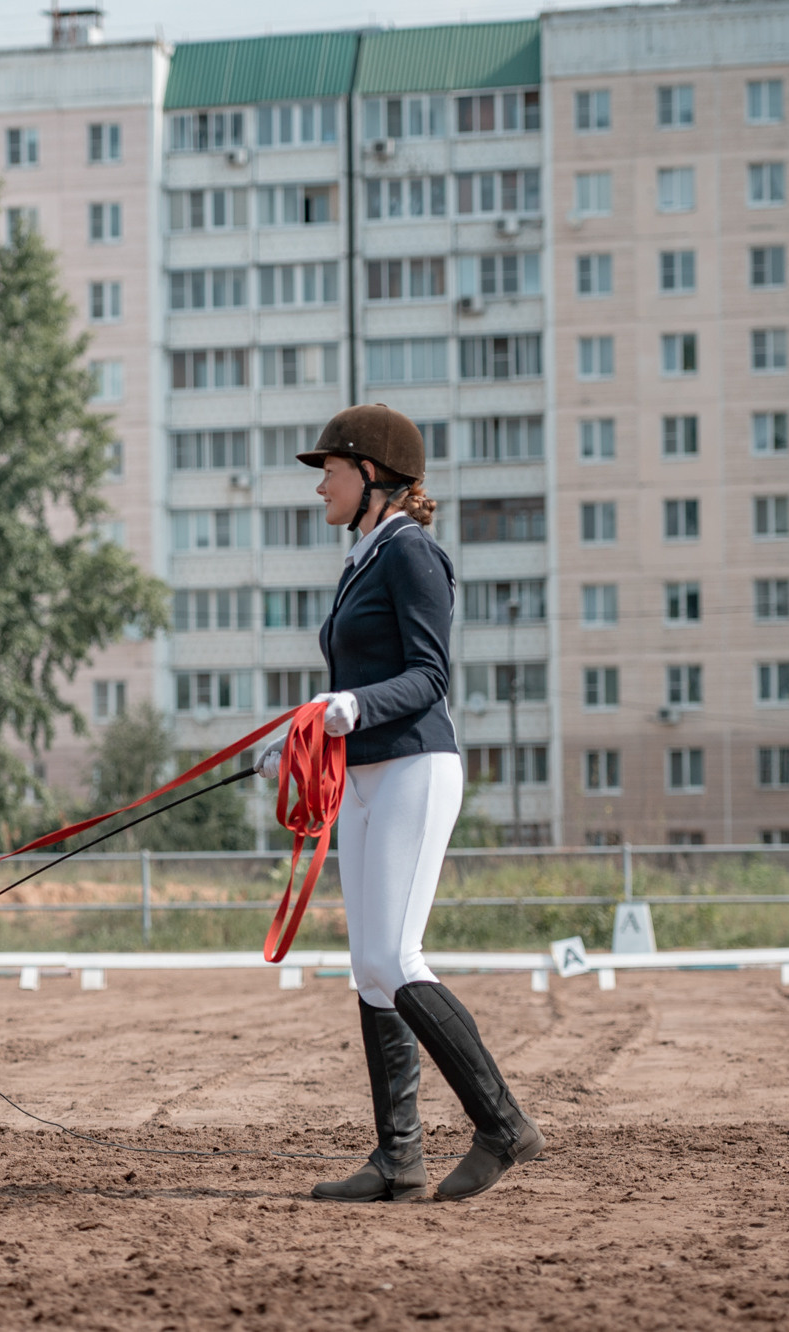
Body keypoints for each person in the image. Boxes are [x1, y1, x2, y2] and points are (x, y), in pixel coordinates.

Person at [260, 403, 543, 1202]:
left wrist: (351, 706)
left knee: (396, 958)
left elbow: (428, 677)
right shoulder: (363, 558)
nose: (321, 488)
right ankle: (399, 1159)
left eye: (330, 472)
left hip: (414, 767)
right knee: (369, 968)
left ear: (371, 475)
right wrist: (295, 738)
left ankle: (503, 1125)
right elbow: (357, 679)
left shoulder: (412, 552)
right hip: (363, 775)